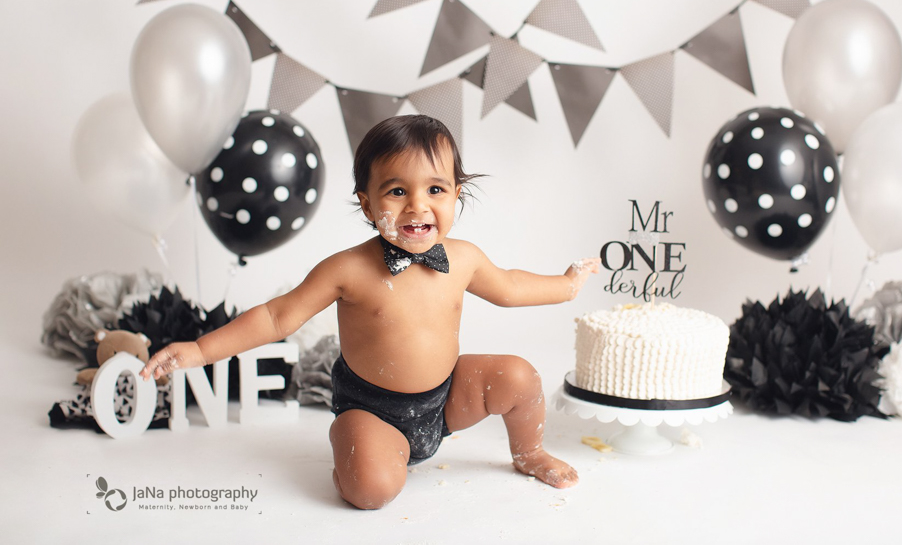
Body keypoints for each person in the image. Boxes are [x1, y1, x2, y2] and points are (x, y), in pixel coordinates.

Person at [140, 114, 600, 510]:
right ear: (367, 203)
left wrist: (566, 285)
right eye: (397, 191)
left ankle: (530, 452)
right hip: (372, 409)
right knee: (373, 490)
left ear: (456, 195)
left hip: (445, 400)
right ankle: (353, 452)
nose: (418, 205)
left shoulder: (464, 259)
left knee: (519, 377)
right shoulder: (348, 269)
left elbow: (511, 286)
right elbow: (277, 317)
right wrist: (199, 350)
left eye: (435, 189)